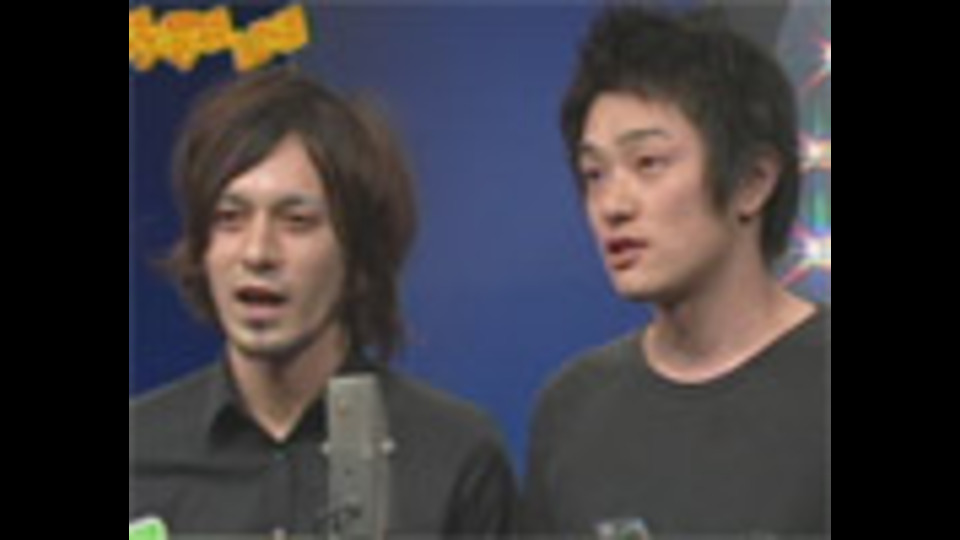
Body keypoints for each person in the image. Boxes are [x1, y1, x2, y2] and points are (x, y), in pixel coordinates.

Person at [129, 67, 516, 539]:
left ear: (359, 257)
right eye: (230, 217)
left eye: (296, 221)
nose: (257, 252)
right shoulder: (140, 452)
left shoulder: (454, 456)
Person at [520, 5, 830, 538]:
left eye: (648, 163)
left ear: (753, 181)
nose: (613, 205)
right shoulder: (571, 410)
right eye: (594, 174)